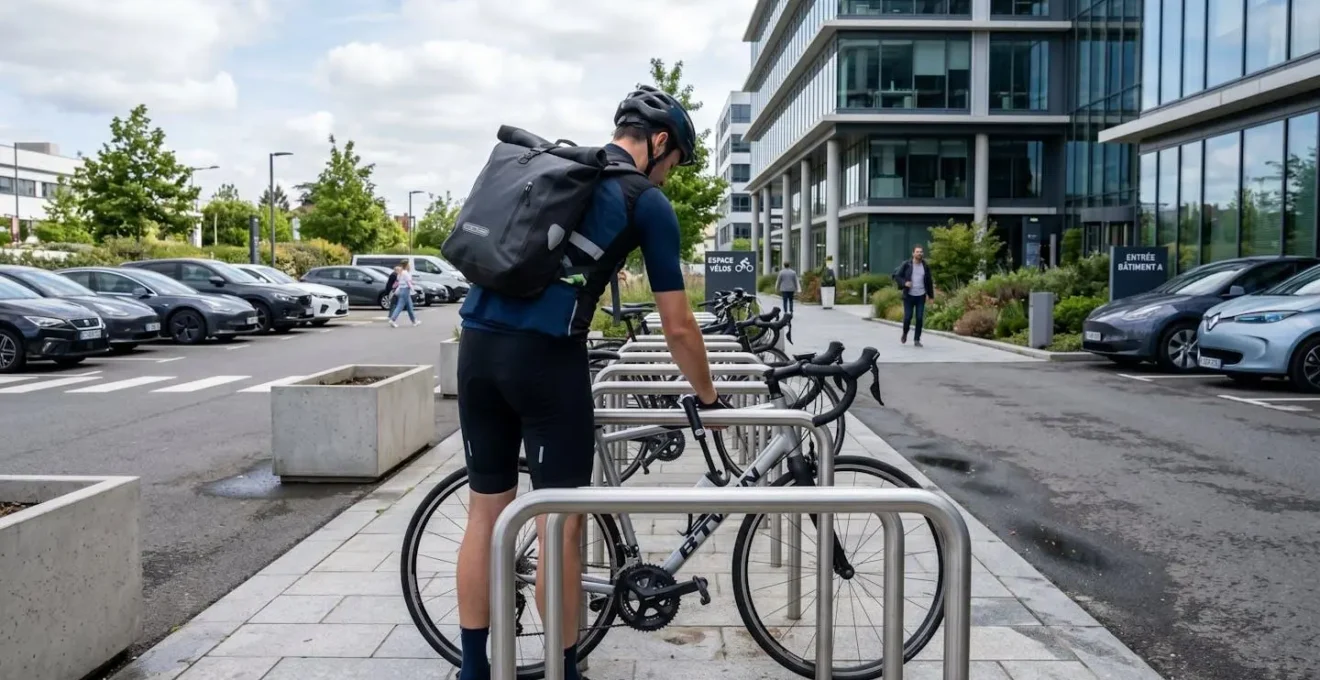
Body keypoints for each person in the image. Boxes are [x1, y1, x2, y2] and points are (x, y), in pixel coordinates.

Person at [453, 85, 722, 680]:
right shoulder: (644, 200)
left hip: (476, 349)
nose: (671, 177)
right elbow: (678, 325)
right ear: (658, 143)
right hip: (546, 363)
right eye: (674, 162)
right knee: (559, 526)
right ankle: (561, 670)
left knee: (484, 516)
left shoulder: (562, 169)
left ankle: (474, 670)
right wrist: (709, 396)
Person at [894, 245, 935, 346]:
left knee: (920, 318)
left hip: (921, 296)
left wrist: (931, 296)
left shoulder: (925, 266)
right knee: (908, 317)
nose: (919, 253)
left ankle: (917, 339)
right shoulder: (907, 264)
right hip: (909, 296)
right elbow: (897, 276)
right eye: (917, 252)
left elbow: (929, 281)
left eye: (921, 252)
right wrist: (904, 283)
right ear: (913, 253)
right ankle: (905, 333)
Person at [388, 260, 419, 328]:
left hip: (401, 290)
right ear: (407, 265)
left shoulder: (400, 273)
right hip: (405, 290)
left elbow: (398, 281)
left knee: (409, 305)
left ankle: (414, 321)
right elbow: (408, 282)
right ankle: (393, 319)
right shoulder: (405, 273)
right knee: (400, 306)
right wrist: (412, 288)